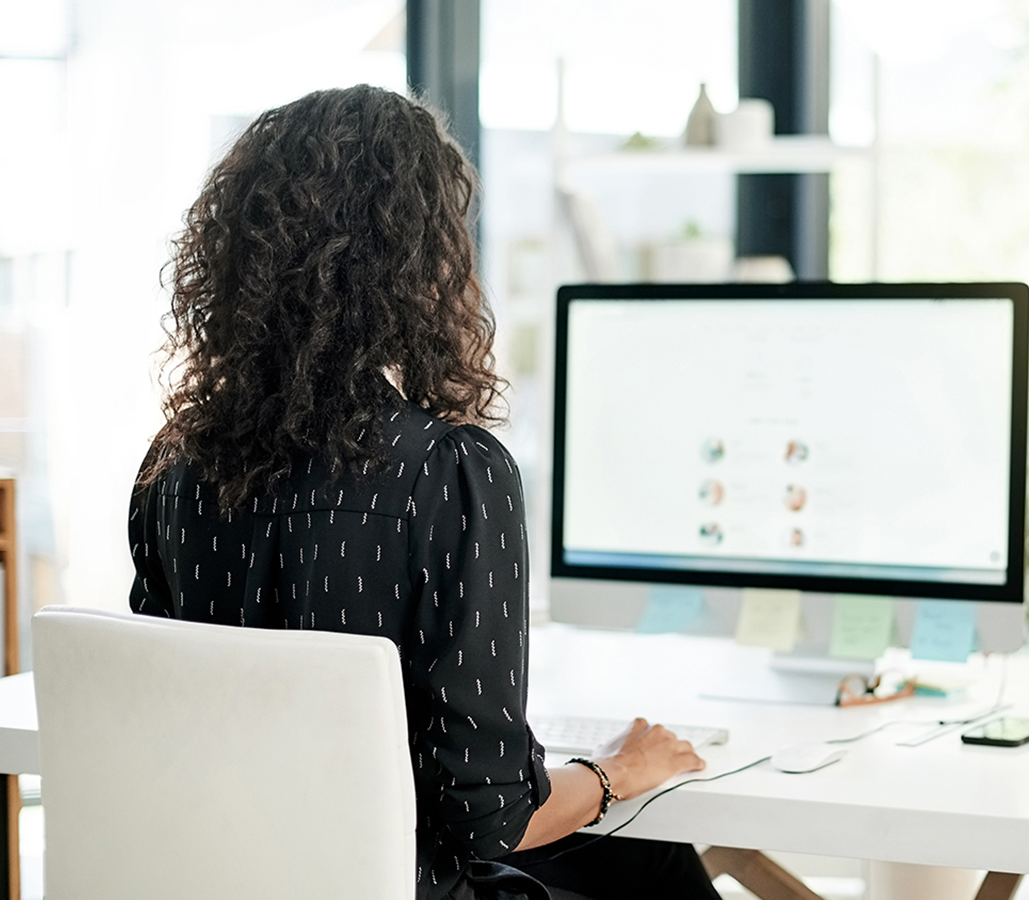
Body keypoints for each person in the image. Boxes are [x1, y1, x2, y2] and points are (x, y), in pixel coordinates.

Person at [128, 85, 718, 900]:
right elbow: (491, 821)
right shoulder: (449, 473)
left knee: (647, 862)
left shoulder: (174, 469)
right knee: (654, 860)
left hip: (232, 878)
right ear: (421, 261)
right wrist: (620, 770)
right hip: (393, 886)